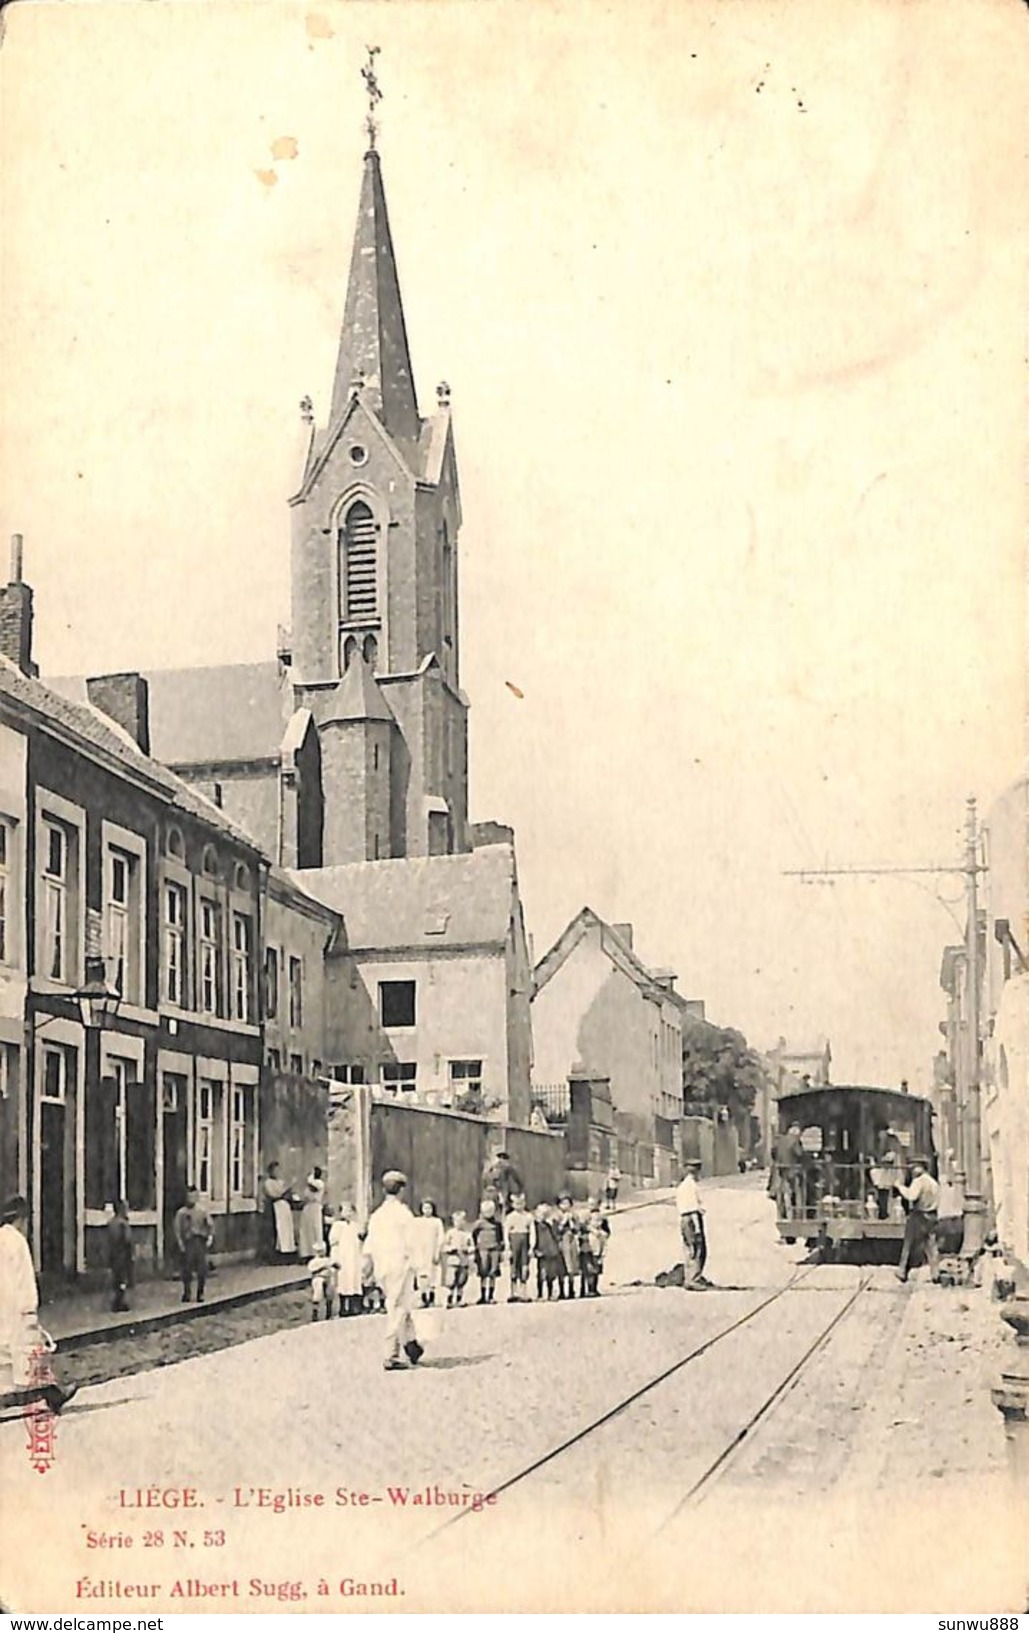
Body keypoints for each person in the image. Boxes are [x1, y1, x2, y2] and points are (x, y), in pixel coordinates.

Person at [0, 1195, 77, 1416]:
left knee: (10, 1362)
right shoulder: (18, 1242)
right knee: (32, 1357)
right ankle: (54, 1394)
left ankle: (52, 1394)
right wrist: (30, 1307)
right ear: (21, 1219)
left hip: (3, 1309)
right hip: (18, 1310)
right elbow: (24, 1280)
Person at [364, 1170, 422, 1370]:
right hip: (400, 1266)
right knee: (397, 1308)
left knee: (400, 1304)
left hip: (383, 1267)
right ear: (402, 1190)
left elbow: (369, 1246)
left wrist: (369, 1270)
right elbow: (412, 1243)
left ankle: (411, 1344)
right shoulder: (403, 1214)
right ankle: (391, 1354)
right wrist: (420, 1269)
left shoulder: (376, 1216)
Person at [893, 1158, 940, 1283]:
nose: (912, 1170)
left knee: (909, 1243)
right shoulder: (933, 1182)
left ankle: (902, 1271)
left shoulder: (919, 1181)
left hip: (919, 1215)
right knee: (931, 1244)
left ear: (921, 1167)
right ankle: (935, 1273)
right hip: (932, 1215)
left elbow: (911, 1196)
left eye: (914, 1167)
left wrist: (899, 1187)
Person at [174, 1186, 214, 1303]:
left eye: (193, 1196)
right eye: (189, 1196)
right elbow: (177, 1230)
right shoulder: (181, 1213)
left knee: (202, 1269)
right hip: (188, 1242)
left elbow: (210, 1225)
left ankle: (200, 1293)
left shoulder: (202, 1211)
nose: (191, 1198)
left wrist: (210, 1238)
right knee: (187, 1269)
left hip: (200, 1241)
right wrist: (180, 1243)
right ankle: (187, 1292)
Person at [676, 1160, 709, 1286]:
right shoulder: (691, 1186)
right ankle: (693, 1280)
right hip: (692, 1219)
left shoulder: (683, 1185)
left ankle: (689, 1277)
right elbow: (693, 1208)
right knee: (697, 1249)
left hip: (684, 1219)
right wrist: (698, 1229)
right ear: (696, 1172)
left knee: (689, 1248)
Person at [329, 1202, 364, 1317]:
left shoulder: (355, 1226)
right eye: (345, 1211)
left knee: (354, 1279)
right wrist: (335, 1258)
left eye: (350, 1211)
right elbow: (334, 1242)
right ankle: (343, 1307)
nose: (348, 1213)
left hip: (354, 1256)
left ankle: (354, 1306)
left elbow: (359, 1239)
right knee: (343, 1280)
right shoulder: (337, 1226)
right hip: (343, 1256)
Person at [410, 1198, 445, 1307]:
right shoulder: (417, 1221)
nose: (427, 1210)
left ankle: (432, 1297)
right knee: (422, 1275)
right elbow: (412, 1236)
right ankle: (423, 1297)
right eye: (425, 1208)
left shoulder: (436, 1221)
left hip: (432, 1250)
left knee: (433, 1275)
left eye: (429, 1208)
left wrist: (437, 1251)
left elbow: (440, 1237)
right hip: (420, 1251)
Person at [472, 1197, 504, 1304]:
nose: (488, 1213)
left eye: (490, 1211)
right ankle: (482, 1295)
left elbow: (501, 1237)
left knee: (493, 1272)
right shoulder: (479, 1223)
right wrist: (476, 1246)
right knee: (483, 1271)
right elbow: (473, 1235)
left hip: (494, 1249)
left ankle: (491, 1295)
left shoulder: (497, 1224)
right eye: (486, 1211)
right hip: (483, 1250)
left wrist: (501, 1249)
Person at [441, 1209, 474, 1308]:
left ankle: (459, 1299)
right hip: (453, 1260)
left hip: (463, 1261)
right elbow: (444, 1246)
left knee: (461, 1281)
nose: (459, 1223)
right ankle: (450, 1300)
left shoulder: (467, 1234)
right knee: (451, 1280)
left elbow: (472, 1246)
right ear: (453, 1222)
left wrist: (468, 1250)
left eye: (461, 1221)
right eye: (457, 1221)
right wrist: (450, 1249)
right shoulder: (450, 1233)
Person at [106, 1199, 134, 1313]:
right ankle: (119, 1302)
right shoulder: (123, 1224)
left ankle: (117, 1301)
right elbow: (127, 1240)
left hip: (113, 1254)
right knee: (123, 1279)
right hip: (123, 1254)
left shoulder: (111, 1223)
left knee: (116, 1278)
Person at [263, 1163, 296, 1259]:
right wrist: (284, 1191)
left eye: (278, 1170)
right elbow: (274, 1194)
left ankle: (288, 1249)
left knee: (287, 1227)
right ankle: (279, 1249)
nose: (277, 1172)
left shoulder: (281, 1182)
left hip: (285, 1206)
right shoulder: (268, 1182)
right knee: (279, 1228)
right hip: (276, 1206)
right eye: (275, 1170)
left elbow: (287, 1193)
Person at [505, 1193, 533, 1302]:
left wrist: (531, 1246)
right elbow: (506, 1232)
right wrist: (508, 1246)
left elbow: (532, 1232)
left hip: (524, 1242)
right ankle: (513, 1292)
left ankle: (523, 1293)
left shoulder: (528, 1216)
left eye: (521, 1203)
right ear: (513, 1204)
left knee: (524, 1267)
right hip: (514, 1242)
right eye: (516, 1203)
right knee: (514, 1268)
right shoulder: (510, 1217)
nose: (519, 1205)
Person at [532, 1202, 562, 1300]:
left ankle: (550, 1293)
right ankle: (540, 1294)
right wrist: (535, 1249)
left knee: (551, 1274)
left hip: (551, 1250)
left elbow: (556, 1235)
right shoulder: (535, 1225)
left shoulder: (551, 1224)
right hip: (541, 1250)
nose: (543, 1216)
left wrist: (552, 1223)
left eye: (545, 1214)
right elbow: (533, 1237)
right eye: (541, 1213)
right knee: (541, 1273)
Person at [554, 1193, 581, 1299]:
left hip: (571, 1240)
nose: (565, 1205)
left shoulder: (574, 1215)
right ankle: (561, 1290)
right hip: (561, 1241)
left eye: (567, 1203)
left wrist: (572, 1223)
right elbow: (556, 1230)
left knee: (571, 1265)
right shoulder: (556, 1216)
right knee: (561, 1266)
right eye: (563, 1203)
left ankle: (571, 1289)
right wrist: (564, 1221)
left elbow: (577, 1229)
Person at [581, 1203, 611, 1297]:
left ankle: (593, 1289)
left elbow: (605, 1245)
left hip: (597, 1254)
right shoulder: (587, 1234)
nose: (597, 1223)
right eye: (594, 1220)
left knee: (595, 1272)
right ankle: (585, 1289)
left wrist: (602, 1256)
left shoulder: (603, 1234)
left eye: (599, 1221)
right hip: (588, 1253)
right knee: (587, 1272)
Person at [298, 1167, 326, 1261]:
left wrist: (309, 1179)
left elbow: (313, 1187)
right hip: (307, 1207)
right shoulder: (308, 1186)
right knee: (306, 1229)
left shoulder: (319, 1183)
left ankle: (316, 1252)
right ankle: (306, 1253)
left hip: (315, 1207)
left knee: (316, 1229)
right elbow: (305, 1196)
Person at [308, 1240, 336, 1321]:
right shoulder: (313, 1262)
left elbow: (336, 1266)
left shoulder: (328, 1260)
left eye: (322, 1251)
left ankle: (329, 1312)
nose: (321, 1253)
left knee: (330, 1293)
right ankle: (315, 1313)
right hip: (318, 1278)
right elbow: (312, 1270)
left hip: (327, 1278)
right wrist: (323, 1267)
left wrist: (332, 1266)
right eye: (319, 1251)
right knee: (317, 1295)